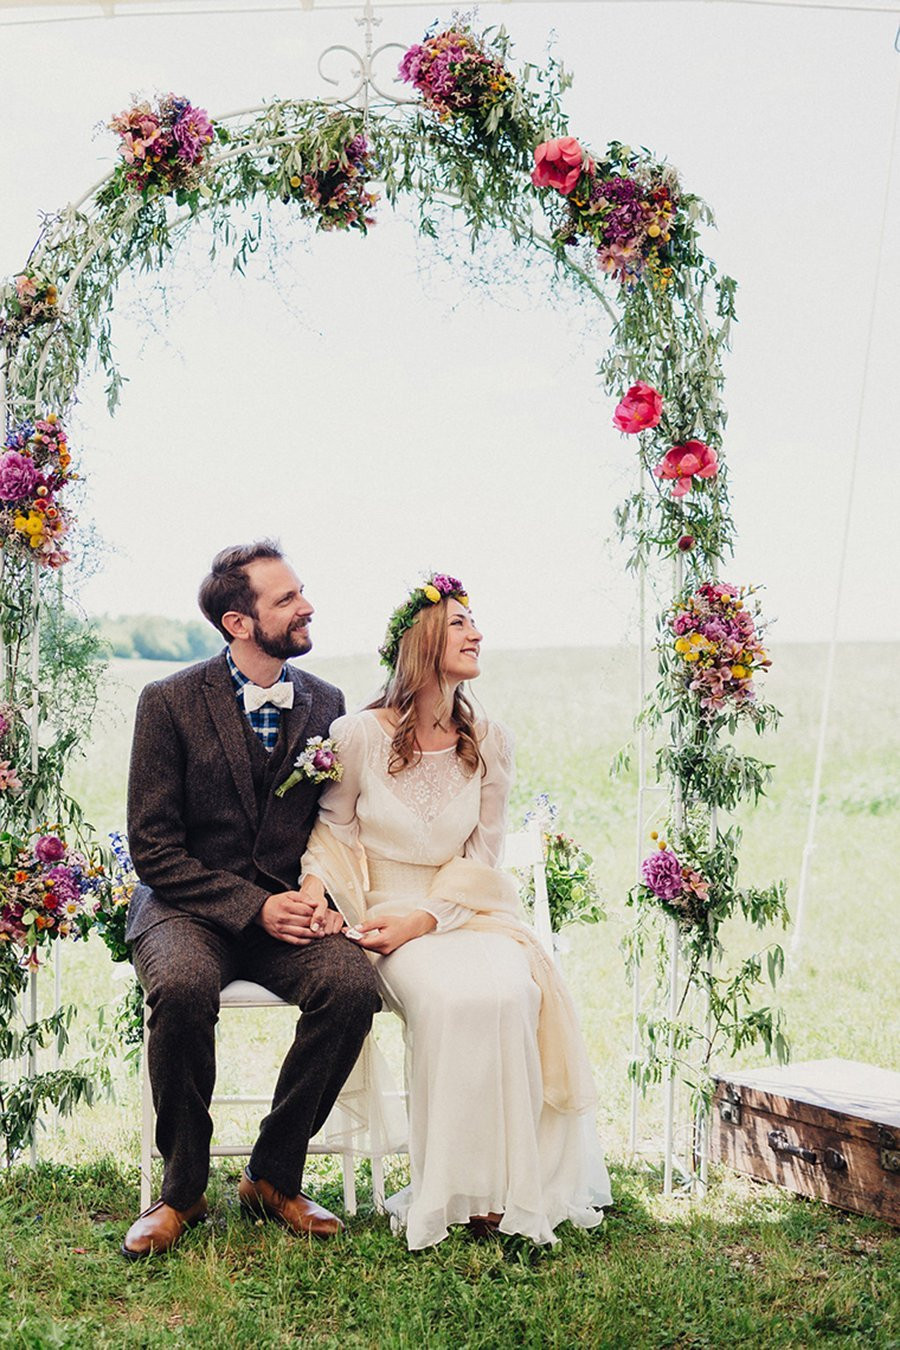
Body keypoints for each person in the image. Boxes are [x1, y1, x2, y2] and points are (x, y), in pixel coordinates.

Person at [300, 573, 612, 1249]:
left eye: (476, 623)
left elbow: (483, 855)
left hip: (468, 910)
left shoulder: (489, 740)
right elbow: (334, 832)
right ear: (422, 640)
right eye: (461, 622)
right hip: (385, 914)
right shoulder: (356, 735)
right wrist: (324, 900)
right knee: (449, 1003)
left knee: (510, 991)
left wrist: (433, 916)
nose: (477, 634)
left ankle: (509, 1192)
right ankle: (448, 1190)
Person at [122, 541, 380, 1258]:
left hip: (287, 910)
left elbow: (333, 823)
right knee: (180, 987)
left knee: (353, 985)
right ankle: (182, 1191)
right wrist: (251, 907)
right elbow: (153, 848)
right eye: (287, 598)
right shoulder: (168, 702)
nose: (307, 606)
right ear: (239, 622)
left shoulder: (326, 702)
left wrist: (318, 893)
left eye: (303, 591)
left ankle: (273, 1175)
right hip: (183, 905)